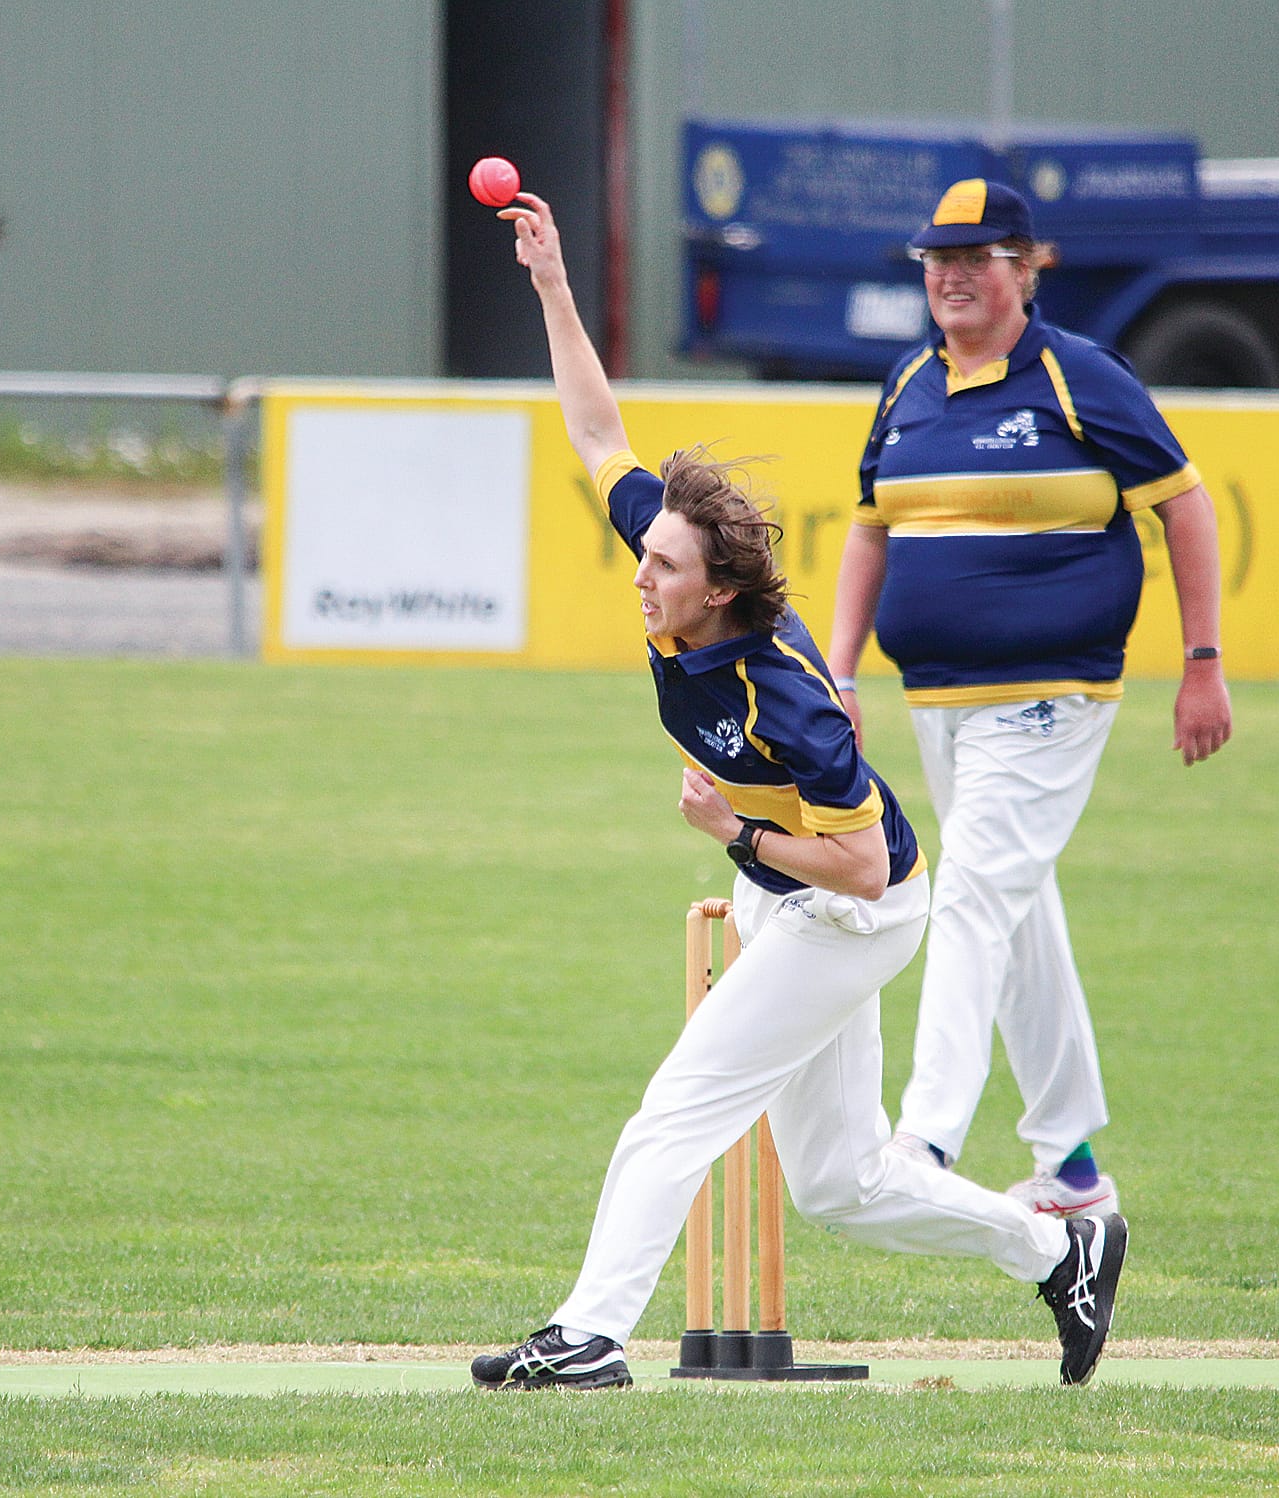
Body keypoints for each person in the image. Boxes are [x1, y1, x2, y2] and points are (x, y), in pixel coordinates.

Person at [468, 192, 1128, 1393]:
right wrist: (554, 283)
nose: (643, 579)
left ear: (718, 589)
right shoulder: (672, 564)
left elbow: (869, 869)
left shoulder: (795, 702)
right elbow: (594, 429)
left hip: (857, 904)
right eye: (646, 555)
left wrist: (738, 833)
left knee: (677, 1107)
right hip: (792, 888)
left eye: (663, 567)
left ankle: (588, 1336)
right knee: (841, 1182)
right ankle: (1061, 1249)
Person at [828, 178, 1233, 1218]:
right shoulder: (908, 383)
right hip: (937, 698)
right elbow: (871, 525)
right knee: (1017, 909)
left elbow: (1185, 506)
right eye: (937, 261)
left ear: (1026, 267)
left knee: (971, 894)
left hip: (1053, 693)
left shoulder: (1077, 376)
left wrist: (1202, 660)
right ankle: (1074, 1164)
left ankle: (927, 1134)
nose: (952, 277)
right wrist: (839, 667)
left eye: (977, 258)